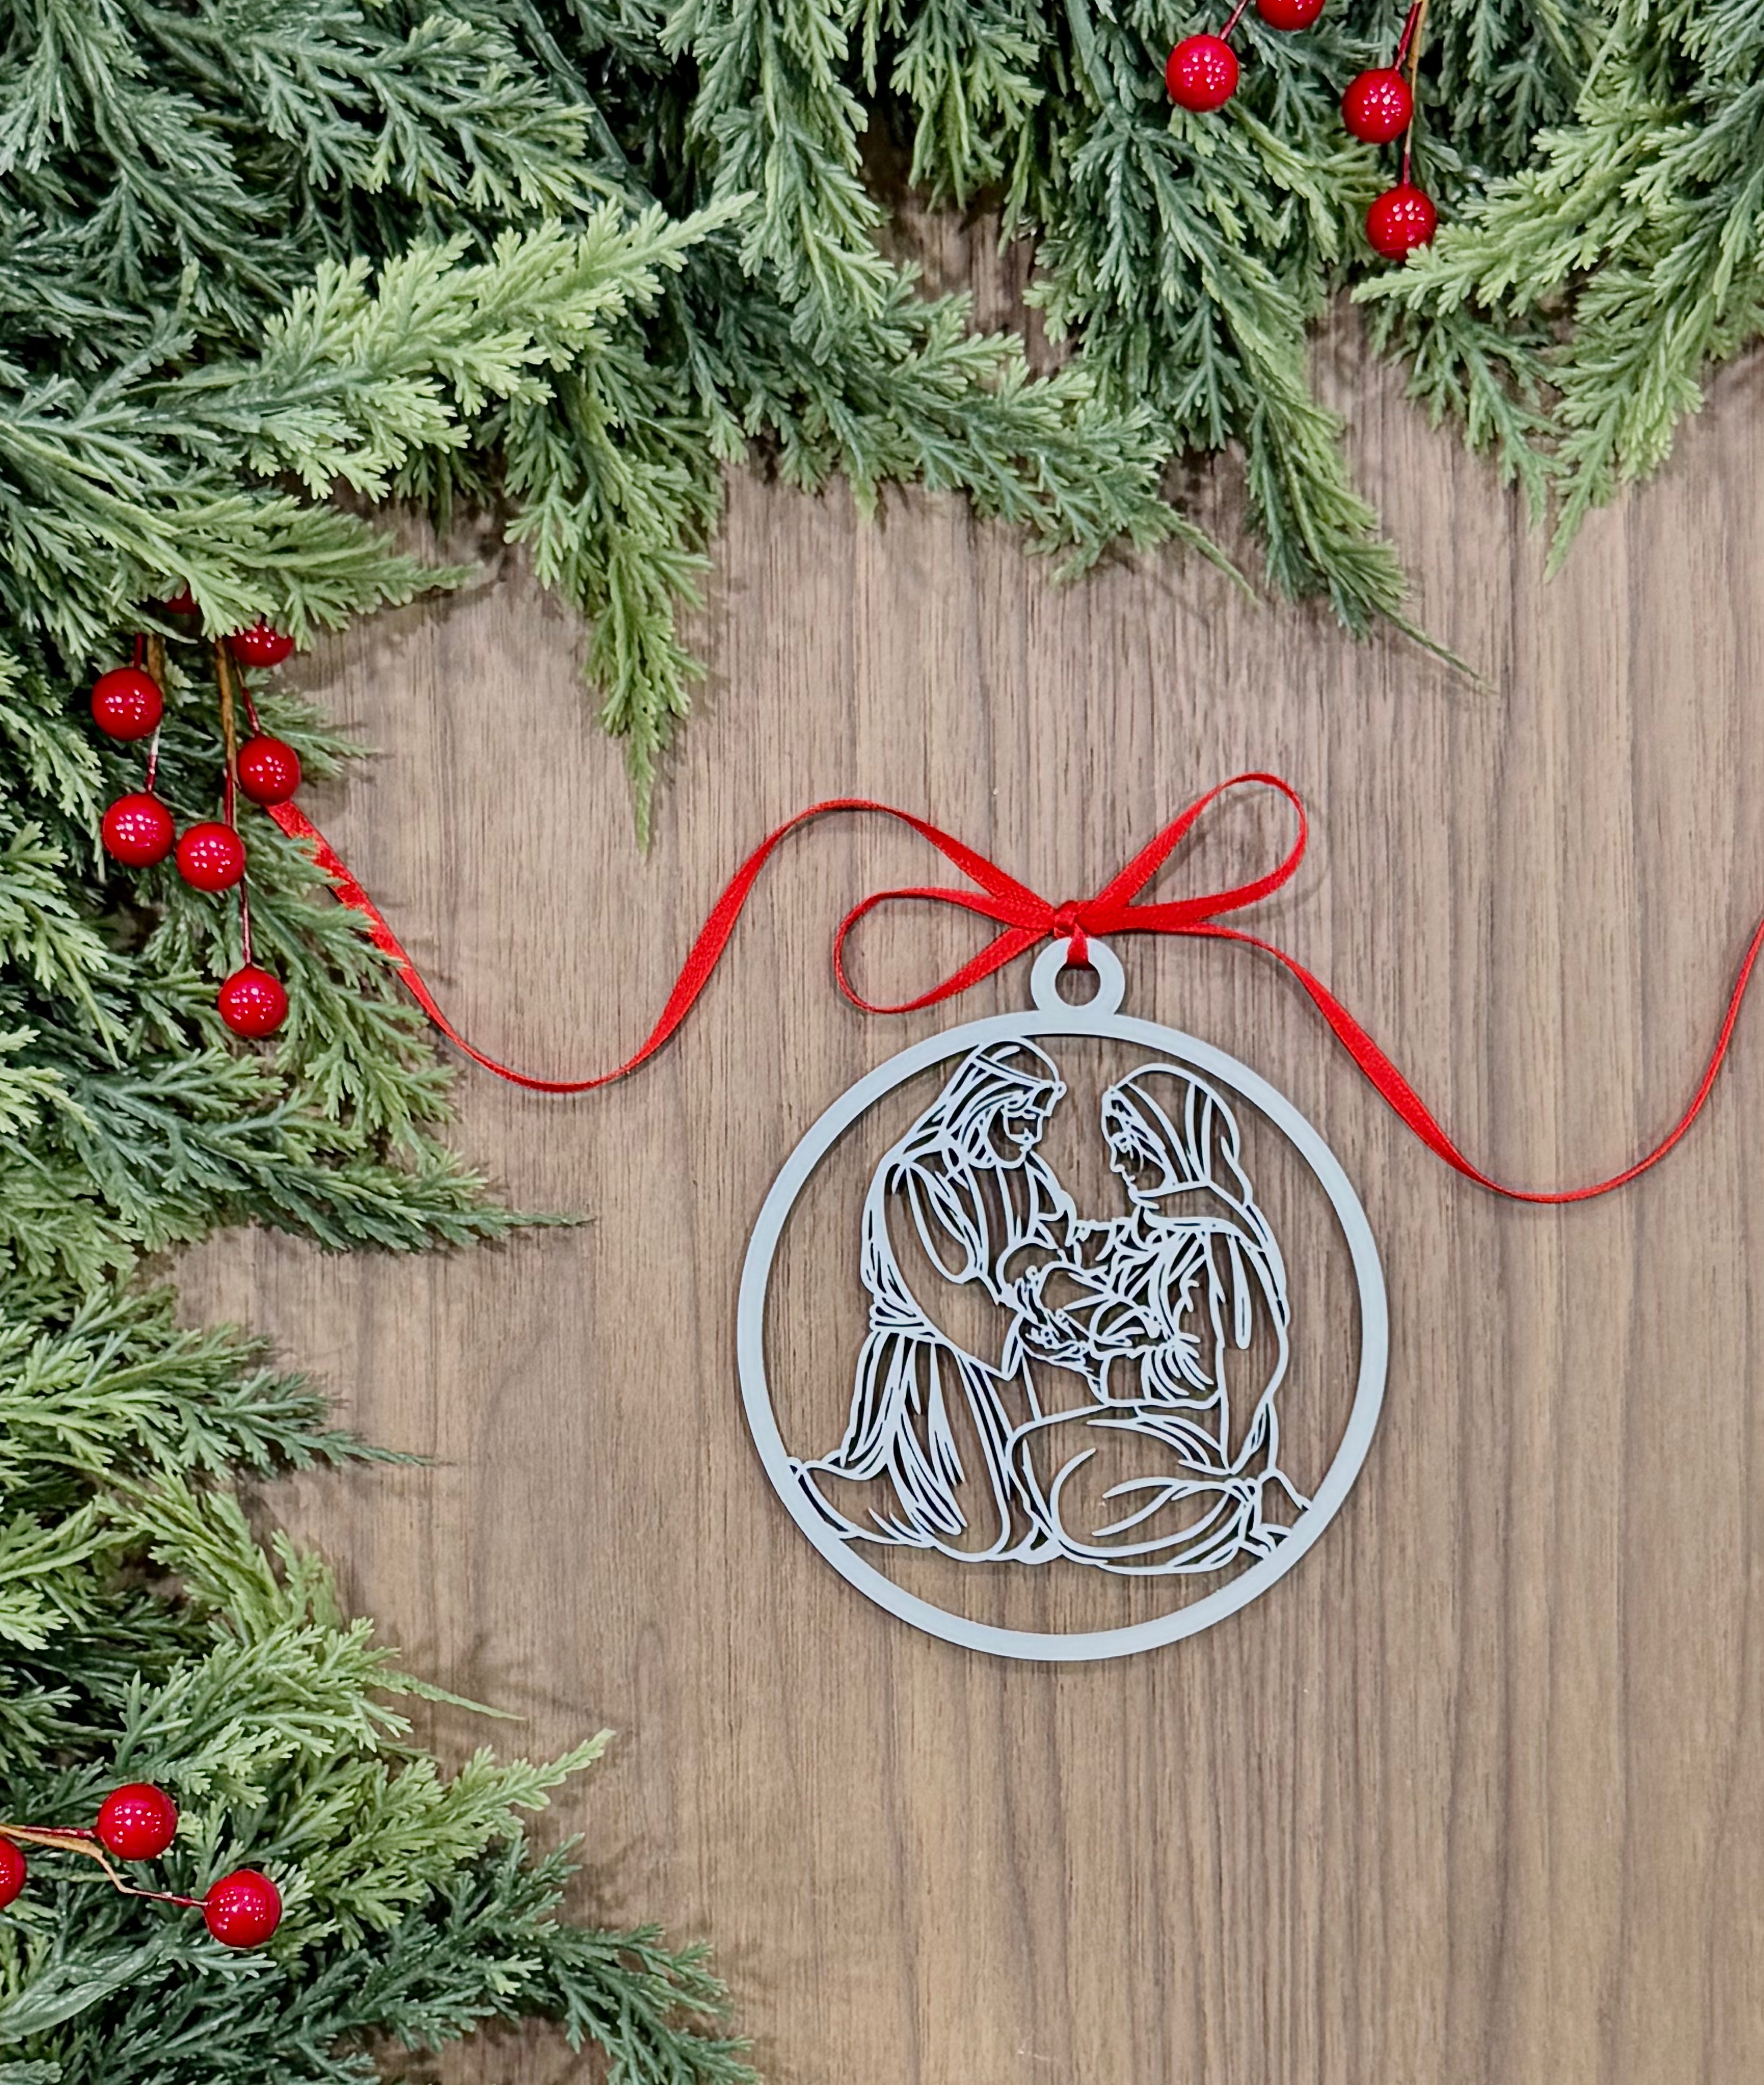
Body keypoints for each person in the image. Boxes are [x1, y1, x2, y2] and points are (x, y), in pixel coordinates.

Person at [1004, 1063, 1307, 1575]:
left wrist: (1098, 1362)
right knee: (1033, 1453)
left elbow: (1202, 1371)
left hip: (1203, 1434)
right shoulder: (1152, 1226)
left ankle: (1242, 1510)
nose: (1120, 1163)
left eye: (1134, 1144)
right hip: (1155, 1420)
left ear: (1173, 1143)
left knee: (1082, 1502)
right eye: (1115, 1143)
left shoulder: (1216, 1240)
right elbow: (1094, 1251)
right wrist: (1037, 1269)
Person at [793, 1040, 1077, 1559]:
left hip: (1004, 1361)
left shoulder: (1026, 1174)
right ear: (984, 1103)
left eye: (1039, 1121)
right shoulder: (917, 1177)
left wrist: (1071, 1288)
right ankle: (836, 1494)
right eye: (1021, 1120)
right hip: (932, 1363)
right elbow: (945, 1293)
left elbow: (1061, 1242)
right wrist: (1026, 1314)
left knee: (1034, 1526)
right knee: (975, 1531)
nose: (1032, 1135)